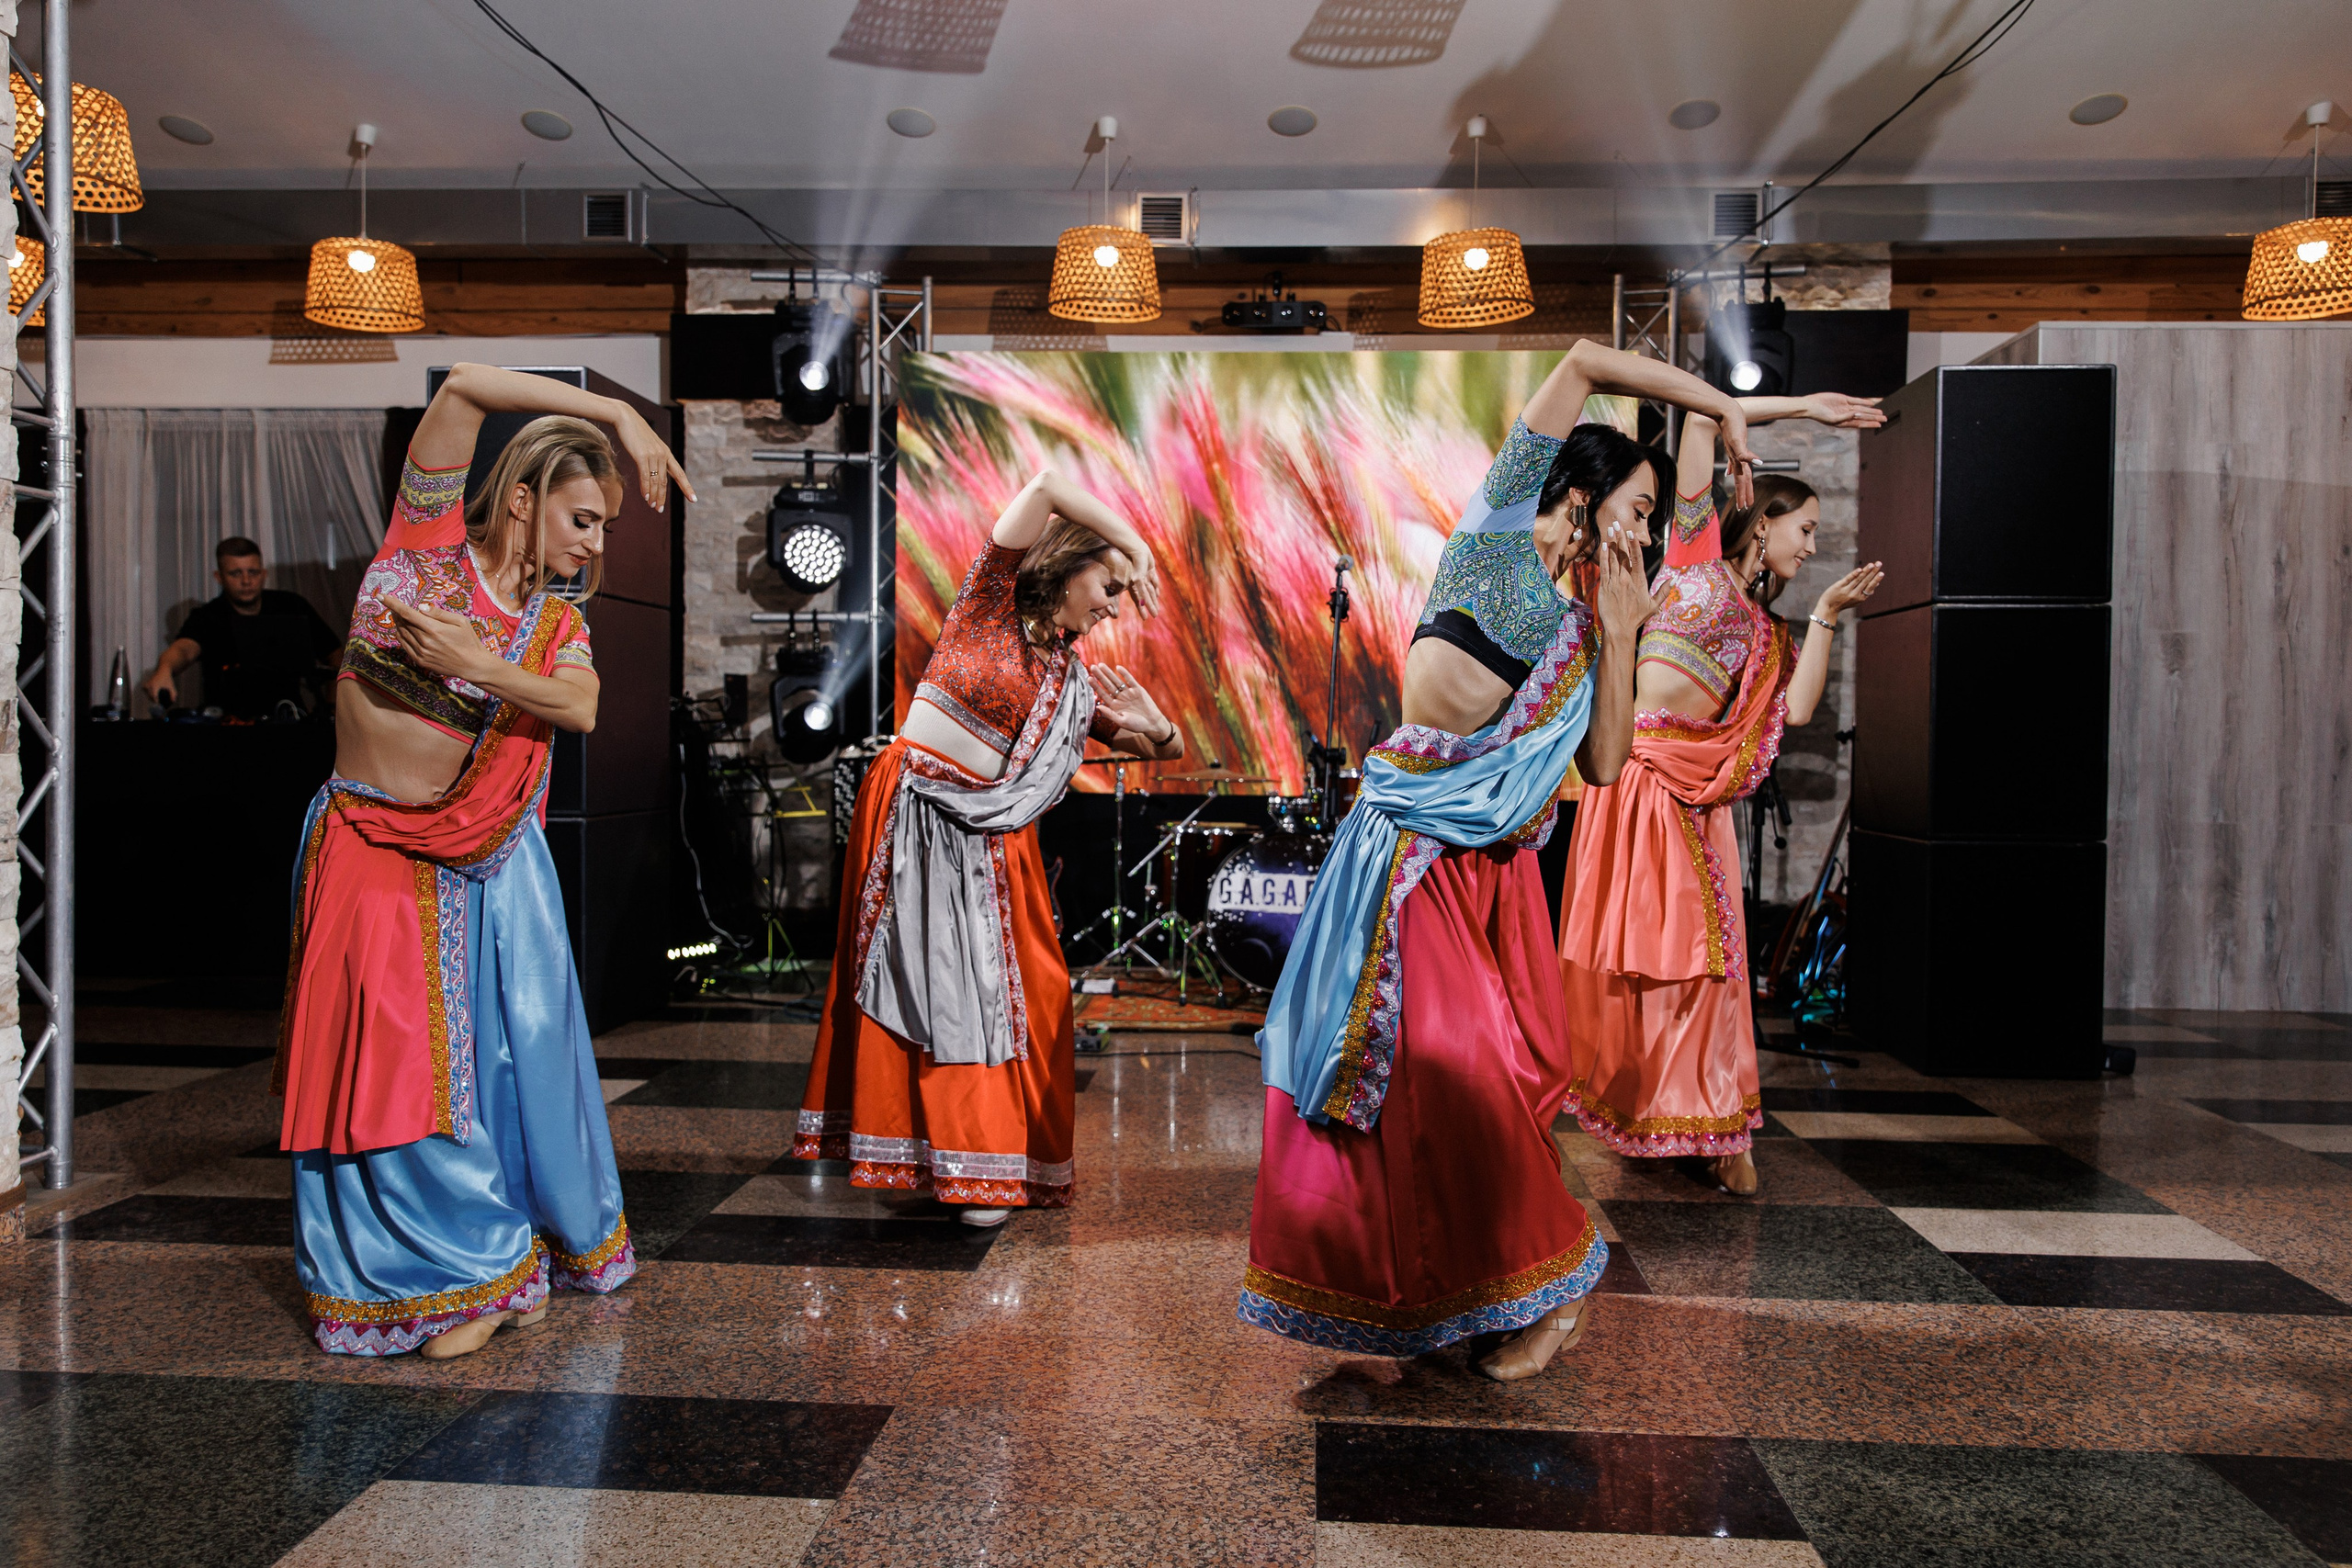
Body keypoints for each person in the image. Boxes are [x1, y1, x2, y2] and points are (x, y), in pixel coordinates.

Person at [1241, 341, 1757, 1382]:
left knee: (1462, 1078)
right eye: (1638, 506)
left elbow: (1606, 763)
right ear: (1578, 491)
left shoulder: (1585, 622)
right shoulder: (1495, 543)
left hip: (1478, 877)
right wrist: (1718, 404)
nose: (1645, 530)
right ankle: (1402, 1294)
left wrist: (1618, 638)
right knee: (1384, 1088)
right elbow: (1579, 360)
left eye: (1657, 517)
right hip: (1395, 853)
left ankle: (1554, 1294)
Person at [273, 363, 693, 1358]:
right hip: (362, 841)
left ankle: (482, 1268)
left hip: (468, 860)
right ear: (521, 496)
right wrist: (617, 415)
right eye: (583, 518)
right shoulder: (419, 549)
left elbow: (580, 707)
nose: (594, 545)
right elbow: (463, 386)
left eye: (601, 529)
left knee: (461, 1070)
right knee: (378, 1063)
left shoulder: (555, 626)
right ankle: (434, 1275)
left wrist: (476, 666)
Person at [795, 470, 1184, 1226]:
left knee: (1027, 993)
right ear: (1065, 564)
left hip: (993, 841)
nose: (1112, 604)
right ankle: (952, 1164)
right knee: (930, 986)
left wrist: (1159, 724)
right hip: (916, 818)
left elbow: (1148, 745)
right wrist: (1135, 539)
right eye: (1108, 583)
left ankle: (982, 1156)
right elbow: (1046, 483)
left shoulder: (1069, 675)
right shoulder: (990, 604)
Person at [1559, 396, 1886, 1197]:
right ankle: (1650, 1112)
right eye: (1804, 528)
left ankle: (1713, 1127)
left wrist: (1827, 615)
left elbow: (1797, 710)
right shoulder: (1697, 554)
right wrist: (1790, 409)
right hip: (1633, 782)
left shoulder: (1770, 633)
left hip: (1696, 803)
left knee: (1709, 969)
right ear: (1764, 520)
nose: (1811, 545)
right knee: (1638, 967)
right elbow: (1702, 419)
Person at [141, 536, 341, 718]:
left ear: (263, 574)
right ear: (219, 577)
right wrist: (164, 668)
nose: (246, 581)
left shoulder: (292, 606)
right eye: (236, 573)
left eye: (252, 572)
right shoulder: (208, 617)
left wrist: (333, 708)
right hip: (227, 726)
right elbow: (183, 649)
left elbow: (336, 656)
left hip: (291, 721)